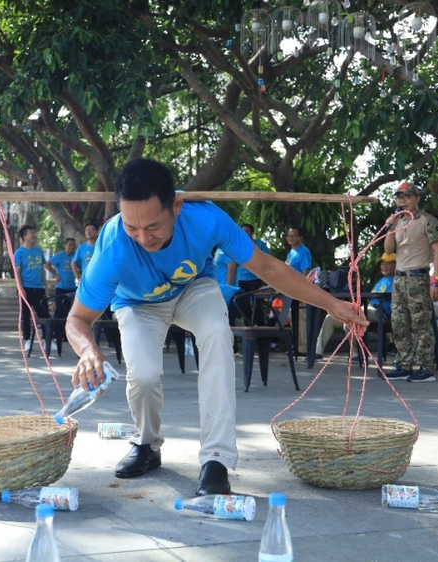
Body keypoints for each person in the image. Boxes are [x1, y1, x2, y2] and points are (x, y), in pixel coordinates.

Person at [65, 158, 367, 497]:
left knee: (217, 336)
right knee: (144, 375)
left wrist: (332, 304)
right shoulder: (113, 248)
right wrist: (88, 351)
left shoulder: (206, 219)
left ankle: (216, 459)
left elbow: (268, 268)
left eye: (153, 227)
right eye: (132, 227)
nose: (143, 238)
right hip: (137, 303)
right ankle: (146, 444)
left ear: (176, 207)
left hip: (193, 287)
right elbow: (77, 319)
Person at [383, 182, 438, 383]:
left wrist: (436, 279)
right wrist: (391, 226)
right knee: (398, 323)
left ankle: (426, 367)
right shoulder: (399, 221)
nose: (402, 201)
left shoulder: (427, 220)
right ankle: (404, 365)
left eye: (407, 197)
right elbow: (388, 250)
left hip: (418, 277)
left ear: (417, 198)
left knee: (421, 323)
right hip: (399, 278)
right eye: (399, 197)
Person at [317, 253, 395, 354]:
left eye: (388, 264)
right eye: (382, 264)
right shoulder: (381, 280)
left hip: (381, 313)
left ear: (395, 265)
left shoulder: (396, 280)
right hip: (367, 309)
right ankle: (317, 352)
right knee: (330, 318)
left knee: (351, 318)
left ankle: (356, 353)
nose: (384, 266)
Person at [14, 224, 48, 352]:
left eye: (34, 233)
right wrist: (21, 288)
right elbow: (17, 272)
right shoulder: (19, 253)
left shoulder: (38, 251)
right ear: (24, 237)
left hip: (39, 288)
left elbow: (42, 270)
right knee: (26, 314)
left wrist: (45, 286)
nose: (34, 235)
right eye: (31, 233)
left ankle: (48, 340)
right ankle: (27, 339)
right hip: (26, 288)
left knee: (44, 314)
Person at [284, 226, 313, 353]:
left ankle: (303, 348)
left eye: (295, 236)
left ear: (301, 237)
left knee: (301, 318)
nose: (291, 238)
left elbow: (306, 270)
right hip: (290, 290)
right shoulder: (291, 252)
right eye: (289, 236)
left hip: (299, 290)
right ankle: (296, 346)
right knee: (293, 318)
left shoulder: (303, 251)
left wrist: (302, 289)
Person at [236, 224, 270, 325]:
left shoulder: (260, 244)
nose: (244, 233)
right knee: (244, 304)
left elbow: (267, 259)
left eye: (247, 231)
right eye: (242, 231)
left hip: (255, 278)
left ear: (252, 233)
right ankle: (248, 326)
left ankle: (261, 326)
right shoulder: (238, 245)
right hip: (242, 279)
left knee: (257, 303)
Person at [45, 238, 77, 341]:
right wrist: (55, 275)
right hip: (61, 288)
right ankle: (56, 333)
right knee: (59, 311)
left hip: (72, 288)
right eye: (69, 244)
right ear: (65, 245)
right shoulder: (60, 256)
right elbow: (47, 264)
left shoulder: (75, 256)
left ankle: (65, 334)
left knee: (69, 312)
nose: (71, 247)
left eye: (73, 245)